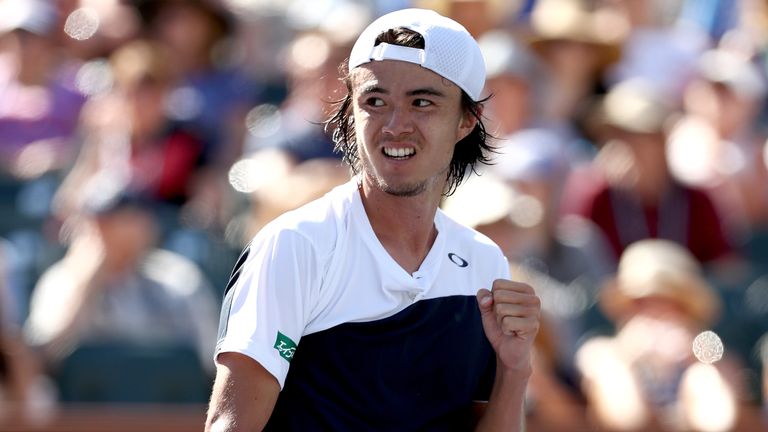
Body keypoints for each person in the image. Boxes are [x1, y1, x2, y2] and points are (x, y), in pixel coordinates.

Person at [206, 8, 541, 431]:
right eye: (375, 102)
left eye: (422, 103)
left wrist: (515, 369)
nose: (396, 125)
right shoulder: (295, 245)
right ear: (352, 113)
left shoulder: (482, 261)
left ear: (465, 121)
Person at [575, 239, 740, 432]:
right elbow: (624, 417)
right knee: (613, 372)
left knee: (705, 377)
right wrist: (629, 352)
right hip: (629, 408)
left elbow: (721, 412)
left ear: (685, 310)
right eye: (642, 302)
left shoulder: (701, 352)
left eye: (666, 302)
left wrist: (694, 351)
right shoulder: (603, 351)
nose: (654, 311)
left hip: (688, 415)